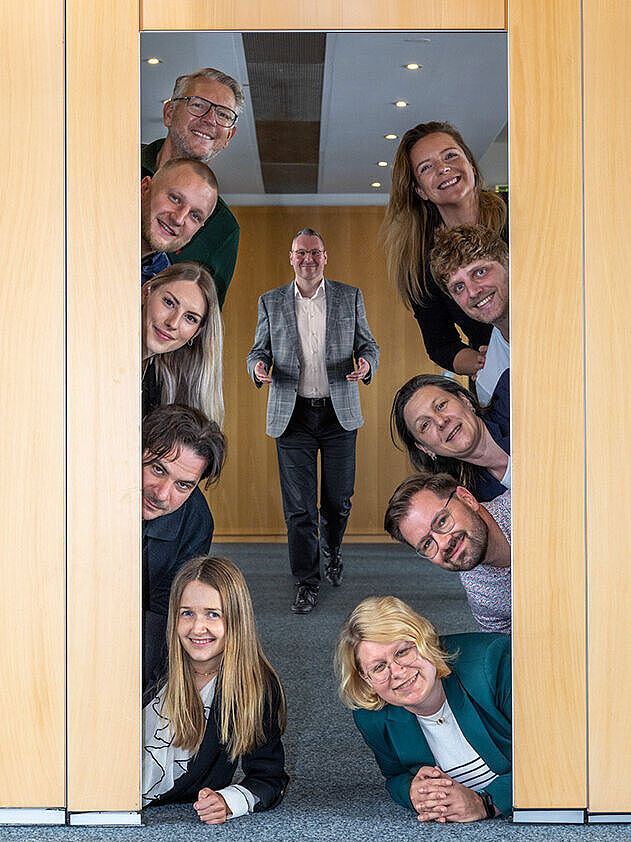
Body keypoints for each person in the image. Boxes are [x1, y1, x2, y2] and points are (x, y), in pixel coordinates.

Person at [246, 228, 379, 614]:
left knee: (337, 502)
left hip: (339, 415)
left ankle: (332, 549)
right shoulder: (271, 302)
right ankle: (306, 582)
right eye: (301, 253)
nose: (308, 259)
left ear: (325, 257)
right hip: (293, 416)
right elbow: (259, 349)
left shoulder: (349, 296)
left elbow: (368, 344)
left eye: (315, 253)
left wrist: (367, 363)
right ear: (291, 258)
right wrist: (258, 366)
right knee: (300, 508)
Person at [335, 596, 511, 822]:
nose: (397, 671)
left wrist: (487, 803)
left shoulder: (492, 662)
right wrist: (411, 792)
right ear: (365, 678)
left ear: (425, 640)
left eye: (402, 652)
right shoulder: (371, 716)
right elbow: (395, 775)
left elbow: (557, 753)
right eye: (379, 667)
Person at [143, 556, 288, 821]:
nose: (198, 628)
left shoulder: (254, 686)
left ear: (235, 619)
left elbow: (269, 778)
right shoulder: (149, 651)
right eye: (187, 613)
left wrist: (229, 800)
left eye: (213, 614)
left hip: (159, 817)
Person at [383, 121, 507, 376]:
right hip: (501, 375)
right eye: (427, 167)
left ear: (471, 164)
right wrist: (483, 362)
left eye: (450, 155)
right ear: (420, 190)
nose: (444, 169)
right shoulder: (421, 263)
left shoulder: (522, 212)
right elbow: (440, 343)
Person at [142, 67, 245, 308]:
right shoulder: (115, 164)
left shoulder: (223, 228)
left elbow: (203, 322)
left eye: (224, 114)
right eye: (198, 105)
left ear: (229, 136)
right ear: (169, 113)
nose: (210, 119)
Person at [142, 405, 226, 690]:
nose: (162, 494)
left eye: (183, 485)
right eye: (157, 469)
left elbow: (164, 609)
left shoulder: (196, 522)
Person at [384, 472, 511, 633]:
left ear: (467, 499)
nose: (443, 543)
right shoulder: (480, 592)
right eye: (427, 543)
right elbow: (506, 649)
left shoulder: (534, 505)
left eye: (442, 521)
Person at [391, 373, 509, 502]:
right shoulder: (476, 502)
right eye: (425, 425)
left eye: (441, 405)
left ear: (464, 400)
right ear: (425, 448)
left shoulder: (513, 392)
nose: (441, 421)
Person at [430, 224, 509, 408]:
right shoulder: (488, 382)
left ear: (507, 262)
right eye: (459, 287)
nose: (472, 292)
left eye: (480, 272)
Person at [142, 262, 224, 424]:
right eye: (169, 302)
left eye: (190, 318)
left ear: (198, 331)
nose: (173, 323)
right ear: (146, 292)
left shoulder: (164, 383)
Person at [141, 158, 219, 286]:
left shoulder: (165, 287)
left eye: (195, 216)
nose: (178, 219)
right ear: (145, 188)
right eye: (175, 199)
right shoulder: (98, 231)